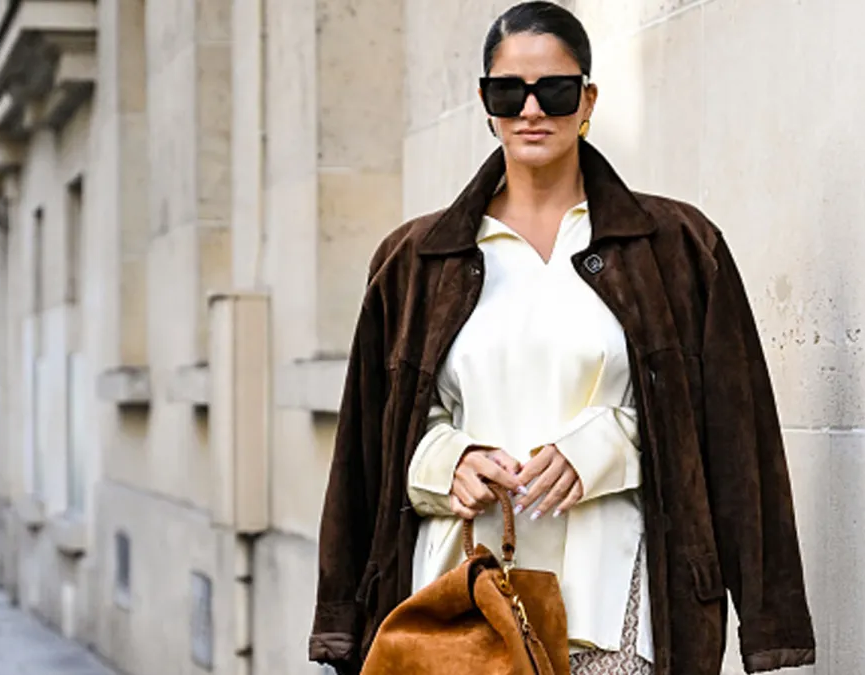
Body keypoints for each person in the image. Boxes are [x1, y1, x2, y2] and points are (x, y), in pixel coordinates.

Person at [308, 3, 815, 674]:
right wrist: (446, 462)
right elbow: (367, 453)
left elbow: (737, 443)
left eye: (555, 89)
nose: (531, 109)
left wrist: (604, 447)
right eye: (507, 92)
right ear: (486, 106)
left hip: (613, 605)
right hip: (458, 613)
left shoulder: (676, 249)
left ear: (588, 100)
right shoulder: (413, 261)